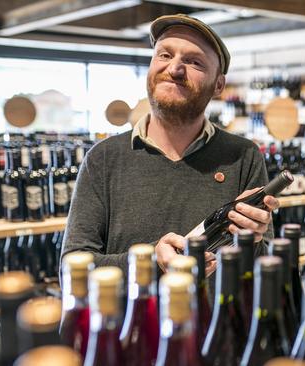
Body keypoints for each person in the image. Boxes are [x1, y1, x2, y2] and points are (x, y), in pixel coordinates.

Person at [61, 14, 278, 277]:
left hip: (214, 318)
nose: (174, 68)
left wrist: (251, 241)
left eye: (194, 61)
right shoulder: (104, 158)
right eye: (164, 55)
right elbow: (71, 270)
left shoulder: (243, 155)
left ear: (218, 84)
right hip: (132, 319)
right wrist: (149, 260)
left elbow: (262, 271)